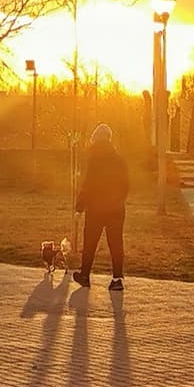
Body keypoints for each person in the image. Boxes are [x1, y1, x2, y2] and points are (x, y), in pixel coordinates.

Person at [73, 123, 129, 290]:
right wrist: (118, 200)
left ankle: (85, 275)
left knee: (90, 242)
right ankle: (117, 279)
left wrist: (79, 208)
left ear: (96, 138)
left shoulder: (94, 159)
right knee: (116, 243)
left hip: (96, 208)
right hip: (116, 209)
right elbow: (126, 184)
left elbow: (88, 184)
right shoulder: (119, 159)